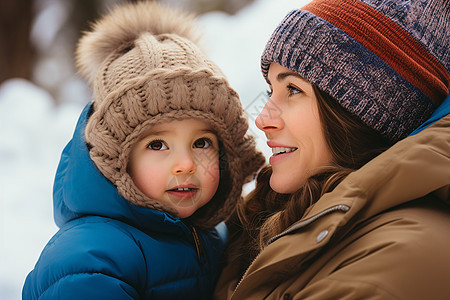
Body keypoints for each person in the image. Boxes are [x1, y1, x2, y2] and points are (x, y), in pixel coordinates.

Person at [22, 2, 264, 299]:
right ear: (115, 159)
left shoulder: (210, 234)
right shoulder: (91, 262)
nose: (186, 164)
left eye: (201, 143)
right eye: (157, 144)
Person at [214, 0, 450, 299]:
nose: (262, 120)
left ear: (363, 113)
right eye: (271, 90)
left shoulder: (398, 257)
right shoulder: (272, 218)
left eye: (294, 90)